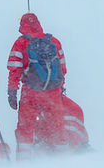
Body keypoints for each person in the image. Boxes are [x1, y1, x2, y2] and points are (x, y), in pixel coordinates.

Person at [6, 13, 67, 160]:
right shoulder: (54, 41)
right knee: (57, 127)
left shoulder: (20, 43)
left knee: (25, 129)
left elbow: (14, 69)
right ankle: (65, 159)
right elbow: (62, 68)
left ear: (22, 25)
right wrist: (60, 88)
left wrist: (12, 91)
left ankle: (23, 162)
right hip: (53, 92)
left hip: (31, 92)